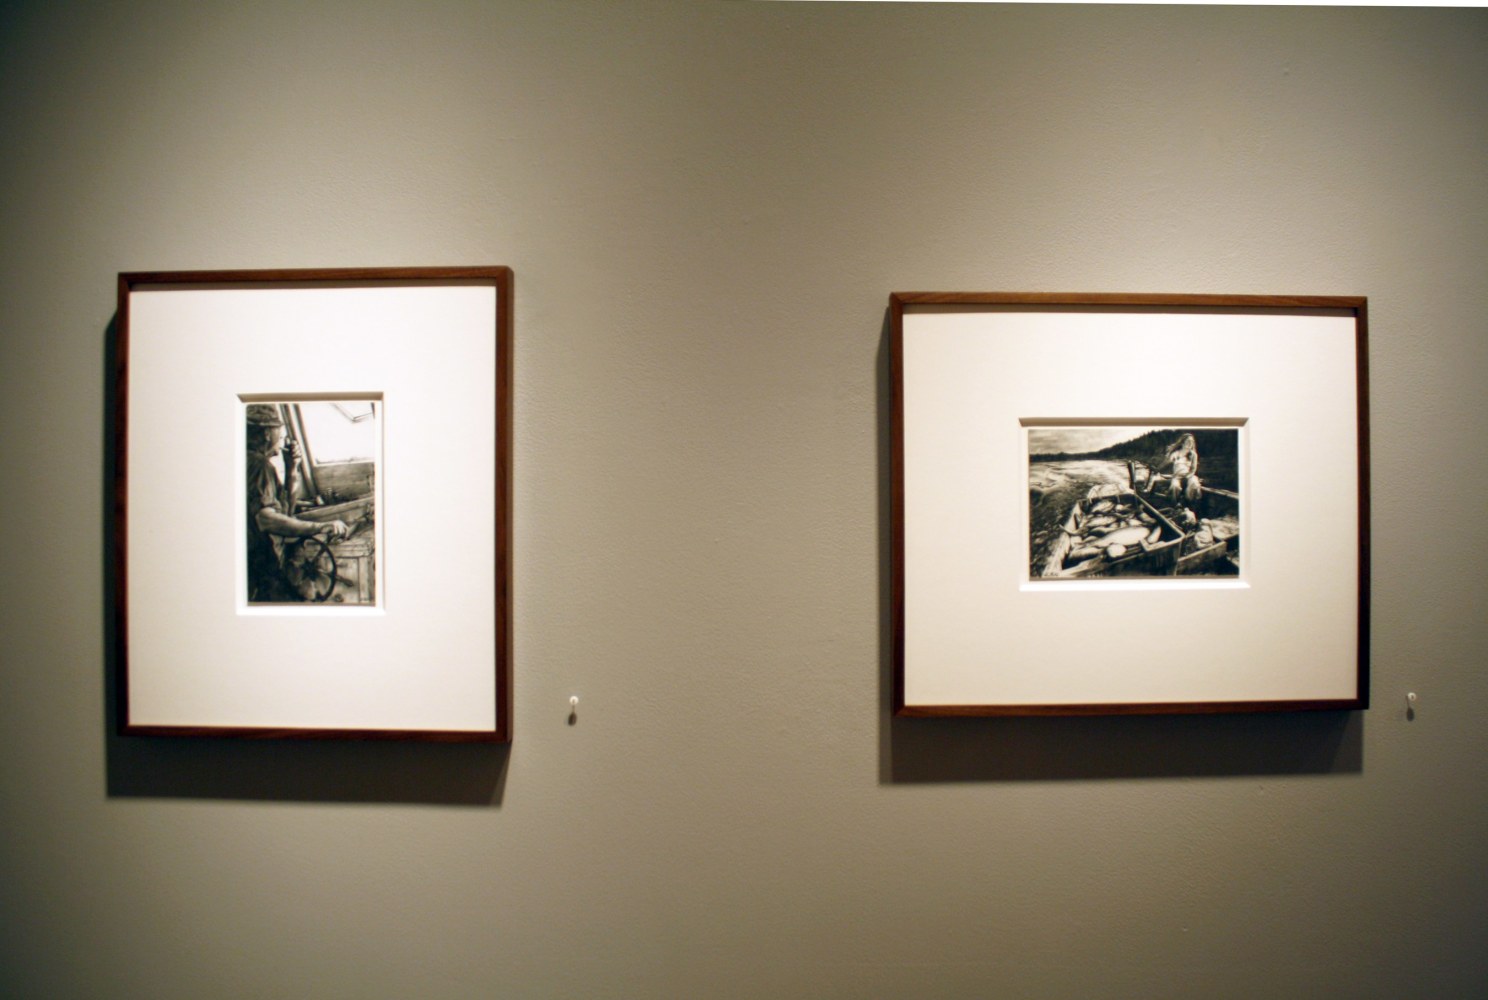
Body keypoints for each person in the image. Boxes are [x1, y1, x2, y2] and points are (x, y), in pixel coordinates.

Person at [246, 404, 348, 602]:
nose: (282, 437)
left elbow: (285, 512)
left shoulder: (251, 462)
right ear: (267, 433)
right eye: (280, 430)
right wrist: (321, 526)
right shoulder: (259, 466)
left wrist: (292, 469)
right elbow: (267, 520)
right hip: (265, 569)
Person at [1145, 432, 1203, 502]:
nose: (1190, 443)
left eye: (1192, 441)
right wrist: (1157, 469)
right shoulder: (1176, 454)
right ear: (1182, 443)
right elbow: (1165, 463)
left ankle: (1191, 502)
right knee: (1175, 486)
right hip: (1177, 476)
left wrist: (1188, 476)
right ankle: (1175, 504)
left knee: (1194, 484)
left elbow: (1193, 469)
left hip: (1189, 476)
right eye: (1188, 441)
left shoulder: (1193, 454)